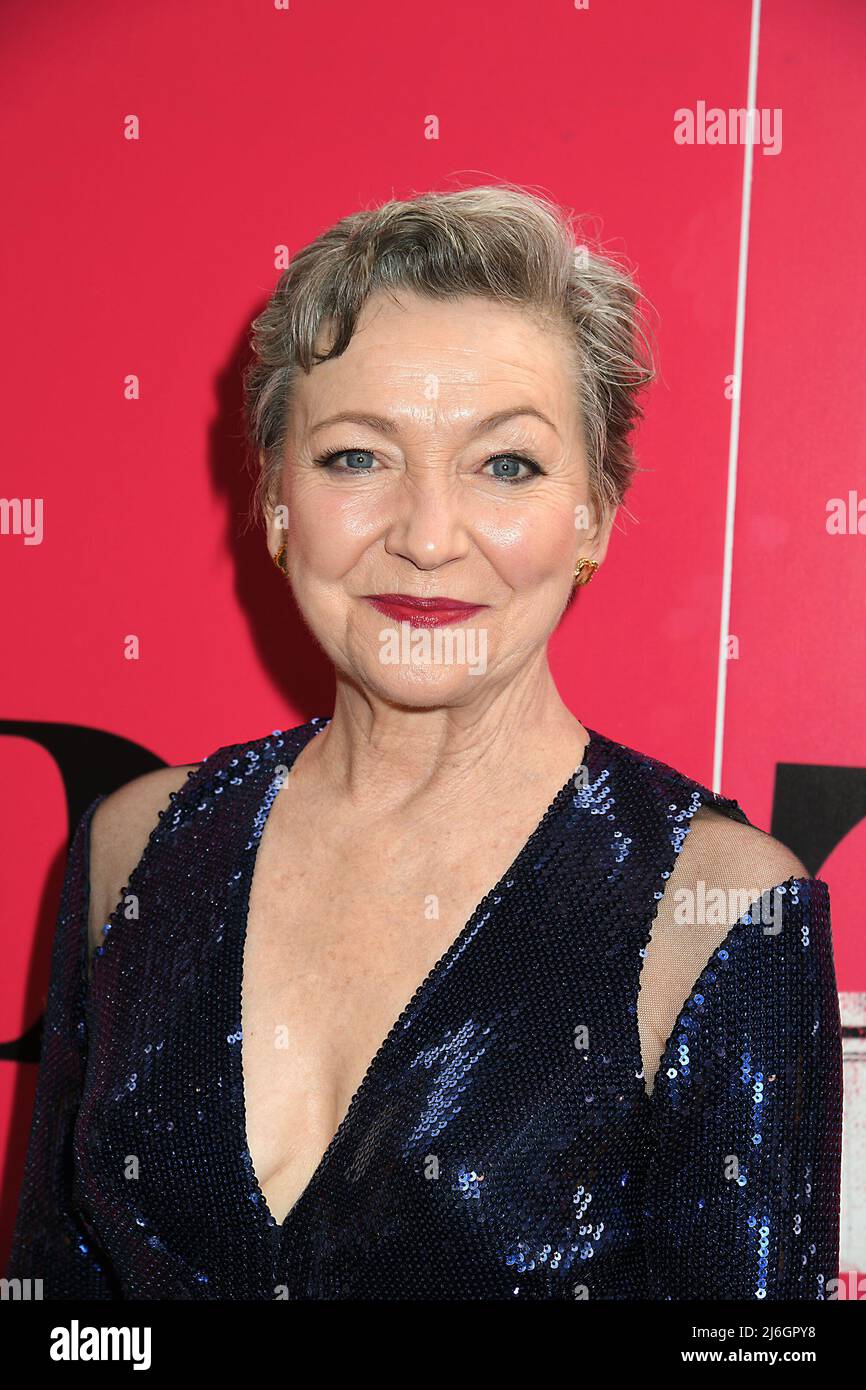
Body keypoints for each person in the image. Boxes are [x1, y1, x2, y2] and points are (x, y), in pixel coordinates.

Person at [8, 184, 843, 1299]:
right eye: (358, 457)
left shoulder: (718, 911)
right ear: (273, 501)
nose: (427, 534)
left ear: (592, 512)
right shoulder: (139, 849)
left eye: (505, 465)